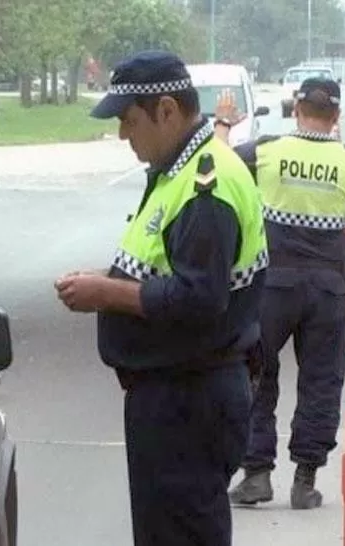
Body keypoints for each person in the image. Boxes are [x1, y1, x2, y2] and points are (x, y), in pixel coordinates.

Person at [54, 50, 269, 546]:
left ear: (167, 111)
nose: (123, 135)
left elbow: (200, 297)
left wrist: (105, 292)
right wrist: (108, 280)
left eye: (129, 121)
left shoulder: (204, 188)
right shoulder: (179, 171)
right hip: (176, 396)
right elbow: (163, 265)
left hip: (189, 400)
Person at [213, 78, 345, 509]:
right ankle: (305, 480)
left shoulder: (266, 152)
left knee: (256, 374)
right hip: (326, 290)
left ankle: (256, 475)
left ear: (296, 109)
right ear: (337, 117)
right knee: (321, 381)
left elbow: (215, 168)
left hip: (270, 286)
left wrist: (223, 125)